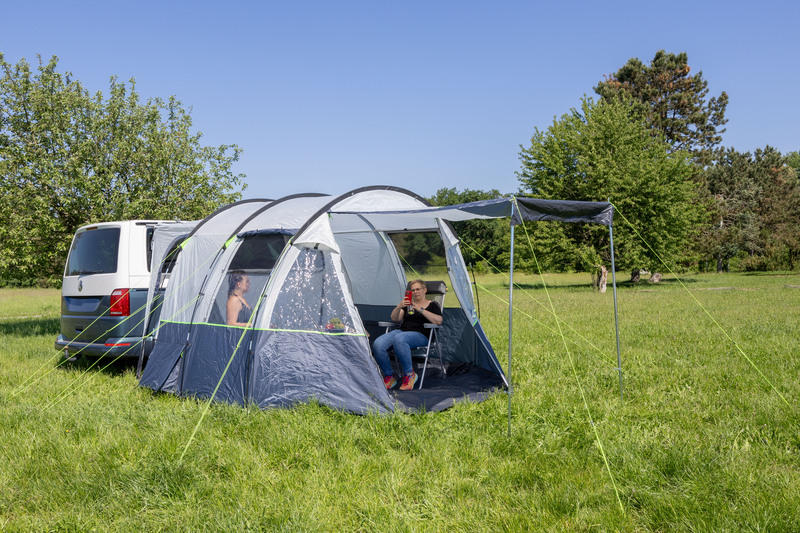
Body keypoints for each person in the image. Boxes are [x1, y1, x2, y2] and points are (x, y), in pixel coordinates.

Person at [372, 279, 443, 391]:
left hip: (421, 335)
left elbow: (438, 321)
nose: (415, 292)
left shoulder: (433, 305)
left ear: (425, 290)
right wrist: (399, 306)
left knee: (400, 339)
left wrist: (420, 309)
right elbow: (395, 319)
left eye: (418, 289)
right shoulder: (408, 305)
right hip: (402, 332)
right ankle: (389, 376)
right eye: (412, 290)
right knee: (378, 343)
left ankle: (409, 374)